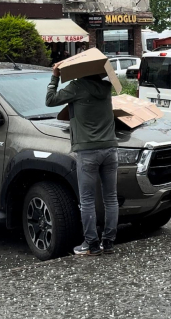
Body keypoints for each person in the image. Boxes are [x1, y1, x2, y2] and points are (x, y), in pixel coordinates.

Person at [45, 62, 118, 256]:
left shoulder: (76, 88)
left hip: (88, 151)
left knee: (87, 200)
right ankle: (109, 242)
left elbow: (50, 100)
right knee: (110, 198)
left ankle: (91, 244)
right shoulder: (106, 87)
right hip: (110, 149)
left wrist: (55, 76)